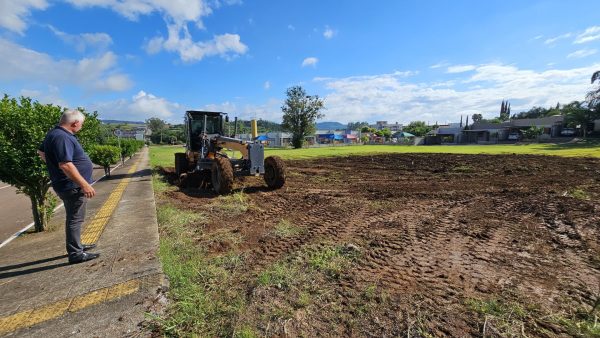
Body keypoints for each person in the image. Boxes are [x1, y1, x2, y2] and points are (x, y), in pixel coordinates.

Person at [38, 110, 100, 264]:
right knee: (75, 219)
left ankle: (77, 246)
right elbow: (65, 164)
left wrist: (52, 163)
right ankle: (75, 253)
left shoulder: (55, 134)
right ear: (75, 123)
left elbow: (41, 151)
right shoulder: (62, 137)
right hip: (72, 186)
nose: (81, 126)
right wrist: (84, 184)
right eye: (81, 124)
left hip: (68, 184)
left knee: (75, 218)